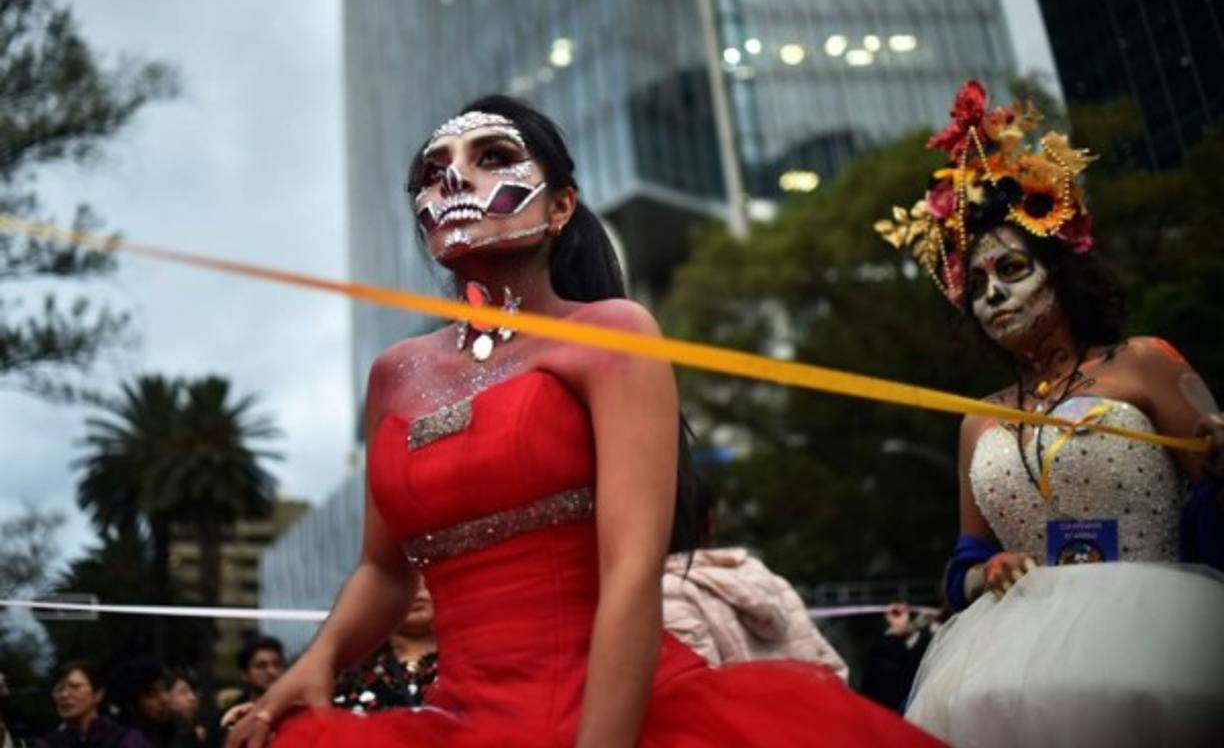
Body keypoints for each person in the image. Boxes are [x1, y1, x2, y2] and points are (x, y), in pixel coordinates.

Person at [227, 96, 941, 746]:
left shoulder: (613, 336)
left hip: (625, 713)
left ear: (561, 206)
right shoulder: (393, 374)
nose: (452, 180)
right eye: (432, 169)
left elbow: (631, 570)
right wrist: (317, 662)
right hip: (463, 723)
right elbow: (384, 572)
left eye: (492, 158)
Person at [876, 79, 1224, 746]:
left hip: (1161, 643)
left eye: (1012, 269)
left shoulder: (1145, 361)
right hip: (1011, 664)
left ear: (1061, 272)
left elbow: (1213, 491)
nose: (995, 295)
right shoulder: (976, 419)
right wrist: (988, 572)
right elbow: (962, 566)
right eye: (977, 285)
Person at [661, 476, 848, 678]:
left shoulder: (664, 594)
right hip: (814, 708)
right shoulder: (764, 577)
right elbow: (833, 672)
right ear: (711, 521)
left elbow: (690, 695)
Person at [331, 580, 438, 713]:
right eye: (402, 580)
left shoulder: (468, 662)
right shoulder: (336, 667)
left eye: (429, 578)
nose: (418, 588)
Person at [35, 661, 149, 748]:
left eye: (75, 687)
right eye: (59, 689)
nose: (64, 695)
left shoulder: (128, 740)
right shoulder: (47, 744)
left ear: (98, 694)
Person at [109, 659, 194, 748]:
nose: (164, 699)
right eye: (151, 694)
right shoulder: (124, 741)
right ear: (131, 705)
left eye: (165, 689)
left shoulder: (181, 731)